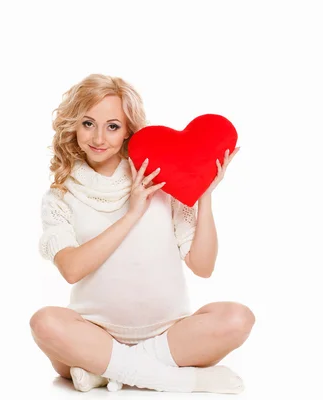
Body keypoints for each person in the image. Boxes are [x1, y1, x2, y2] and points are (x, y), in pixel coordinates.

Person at [30, 73, 254, 393]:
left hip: (170, 336)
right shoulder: (60, 197)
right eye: (88, 123)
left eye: (112, 126)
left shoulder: (161, 177)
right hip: (93, 336)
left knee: (237, 318)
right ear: (73, 126)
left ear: (127, 132)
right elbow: (71, 268)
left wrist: (204, 193)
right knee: (45, 323)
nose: (99, 137)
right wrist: (133, 213)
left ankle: (108, 373)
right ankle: (178, 380)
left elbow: (202, 267)